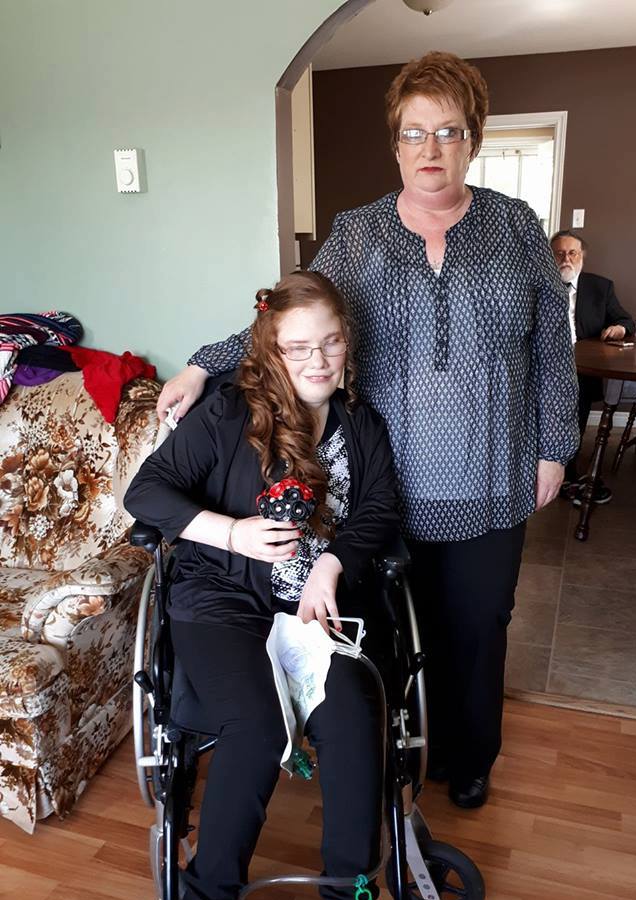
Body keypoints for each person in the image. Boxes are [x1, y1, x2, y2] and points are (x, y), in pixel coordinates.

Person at [156, 52, 579, 811]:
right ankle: (401, 749)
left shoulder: (516, 227)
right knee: (388, 629)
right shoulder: (359, 234)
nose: (430, 148)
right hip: (390, 481)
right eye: (414, 132)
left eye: (448, 131)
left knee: (480, 623)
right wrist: (199, 365)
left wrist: (554, 448)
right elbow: (290, 321)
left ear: (473, 139)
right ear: (395, 143)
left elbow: (552, 343)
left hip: (493, 472)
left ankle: (468, 754)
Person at [126, 272, 399, 900]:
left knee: (354, 715)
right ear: (271, 351)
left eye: (330, 343)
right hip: (219, 602)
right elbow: (146, 492)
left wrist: (334, 563)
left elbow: (378, 509)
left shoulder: (361, 423)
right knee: (256, 724)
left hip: (313, 609)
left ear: (347, 342)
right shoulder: (227, 412)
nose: (317, 360)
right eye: (298, 347)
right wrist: (230, 533)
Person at [550, 229, 634, 504]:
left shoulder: (601, 287)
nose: (566, 259)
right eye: (559, 253)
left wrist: (619, 328)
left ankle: (567, 470)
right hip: (545, 363)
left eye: (572, 253)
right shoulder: (537, 283)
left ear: (582, 257)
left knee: (576, 406)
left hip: (581, 368)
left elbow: (626, 319)